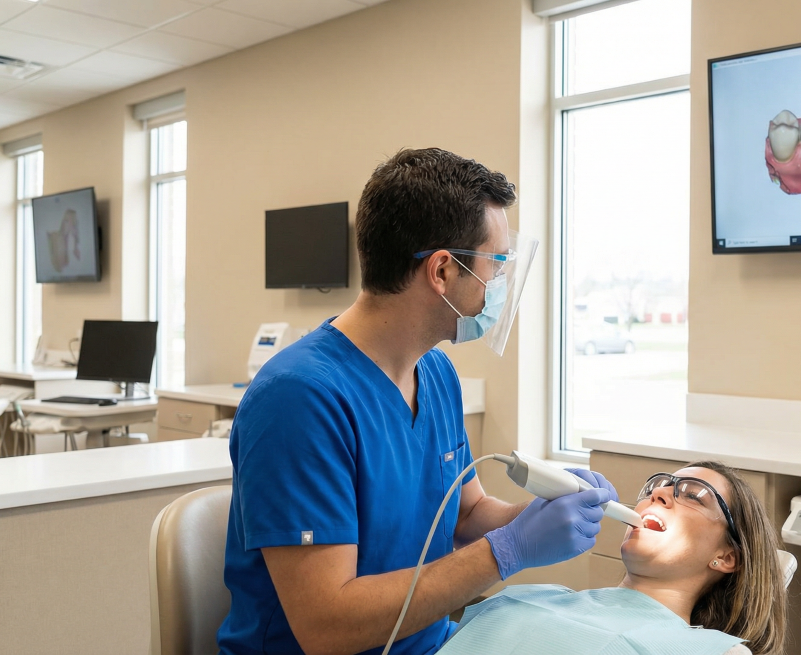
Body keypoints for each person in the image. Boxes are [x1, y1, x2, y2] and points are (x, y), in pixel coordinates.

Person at [217, 147, 619, 655]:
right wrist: (509, 551)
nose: (498, 285)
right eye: (496, 265)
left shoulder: (435, 372)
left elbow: (467, 514)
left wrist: (540, 515)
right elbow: (327, 626)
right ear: (442, 272)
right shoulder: (299, 398)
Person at [437, 461, 789, 655]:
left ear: (726, 557)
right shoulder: (537, 596)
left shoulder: (714, 652)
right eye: (655, 488)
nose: (661, 493)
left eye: (694, 496)